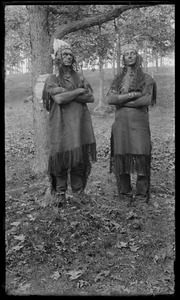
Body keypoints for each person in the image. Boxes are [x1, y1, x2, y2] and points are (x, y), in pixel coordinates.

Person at [42, 39, 96, 208]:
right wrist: (79, 91)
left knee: (78, 159)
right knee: (60, 158)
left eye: (71, 55)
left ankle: (78, 192)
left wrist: (74, 91)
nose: (68, 57)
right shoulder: (52, 78)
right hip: (60, 124)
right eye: (65, 54)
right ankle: (60, 193)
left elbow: (91, 97)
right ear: (57, 57)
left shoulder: (80, 77)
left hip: (80, 123)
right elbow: (58, 98)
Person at [107, 41, 156, 204]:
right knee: (121, 157)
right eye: (126, 53)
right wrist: (132, 95)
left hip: (139, 124)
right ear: (123, 58)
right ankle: (125, 194)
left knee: (142, 155)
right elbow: (110, 99)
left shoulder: (147, 78)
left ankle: (142, 196)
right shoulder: (117, 79)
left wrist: (121, 101)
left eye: (133, 52)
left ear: (138, 56)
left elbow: (146, 100)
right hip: (120, 125)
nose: (130, 55)